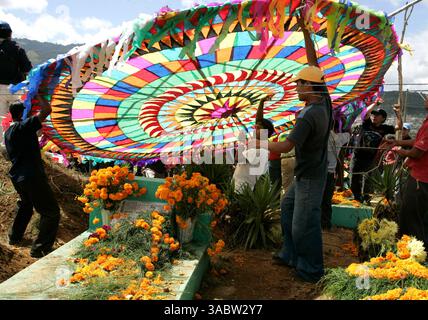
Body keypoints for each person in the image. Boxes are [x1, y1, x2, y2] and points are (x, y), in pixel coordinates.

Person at [265, 15, 332, 283]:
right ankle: (290, 254)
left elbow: (284, 147)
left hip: (310, 177)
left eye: (299, 83)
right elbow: (314, 64)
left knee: (304, 224)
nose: (296, 87)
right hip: (309, 173)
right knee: (288, 208)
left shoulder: (308, 116)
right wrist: (306, 32)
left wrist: (257, 142)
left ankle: (311, 269)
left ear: (309, 86)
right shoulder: (324, 101)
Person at [4, 95, 60, 258]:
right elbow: (47, 110)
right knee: (51, 212)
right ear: (24, 113)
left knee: (26, 206)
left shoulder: (8, 133)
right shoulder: (24, 127)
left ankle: (14, 238)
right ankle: (40, 249)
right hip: (32, 176)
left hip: (18, 177)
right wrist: (40, 93)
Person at [388, 98, 428, 250]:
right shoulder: (425, 123)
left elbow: (417, 153)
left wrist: (400, 151)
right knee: (420, 218)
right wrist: (398, 143)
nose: (426, 99)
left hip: (420, 179)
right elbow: (417, 142)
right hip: (421, 178)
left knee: (411, 217)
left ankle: (413, 253)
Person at [350, 101, 402, 203]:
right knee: (354, 178)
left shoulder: (384, 128)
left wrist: (398, 113)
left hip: (370, 159)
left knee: (368, 181)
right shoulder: (366, 123)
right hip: (357, 156)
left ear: (383, 118)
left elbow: (399, 127)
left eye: (377, 115)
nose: (374, 116)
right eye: (373, 114)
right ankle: (356, 198)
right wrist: (375, 103)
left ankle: (367, 199)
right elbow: (365, 114)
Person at [0, 21, 32, 144]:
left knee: (1, 118)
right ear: (10, 34)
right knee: (17, 118)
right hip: (16, 88)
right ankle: (17, 143)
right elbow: (27, 69)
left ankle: (2, 146)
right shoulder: (17, 48)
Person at [321, 120, 351, 230]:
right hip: (330, 174)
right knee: (326, 201)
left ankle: (317, 223)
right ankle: (325, 224)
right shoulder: (339, 137)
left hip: (318, 174)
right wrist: (345, 125)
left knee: (317, 200)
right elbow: (349, 134)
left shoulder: (319, 137)